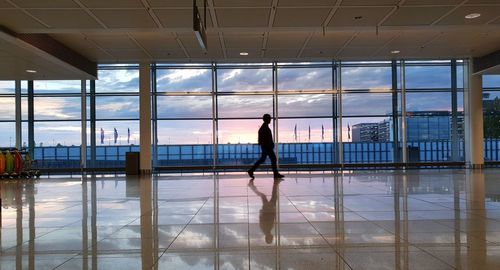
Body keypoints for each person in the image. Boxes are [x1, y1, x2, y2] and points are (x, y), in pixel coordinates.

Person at [248, 114, 284, 179]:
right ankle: (275, 174)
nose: (270, 119)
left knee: (263, 159)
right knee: (273, 159)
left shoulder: (264, 127)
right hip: (267, 147)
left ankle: (251, 170)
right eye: (269, 118)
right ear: (267, 119)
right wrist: (270, 145)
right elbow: (266, 139)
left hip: (266, 147)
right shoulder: (264, 128)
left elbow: (261, 139)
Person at [248, 180, 280, 244]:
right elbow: (262, 220)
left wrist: (271, 212)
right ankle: (251, 186)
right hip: (267, 209)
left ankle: (276, 183)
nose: (272, 237)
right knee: (264, 196)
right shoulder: (266, 230)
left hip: (268, 209)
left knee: (272, 196)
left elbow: (267, 219)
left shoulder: (266, 229)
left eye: (271, 238)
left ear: (268, 237)